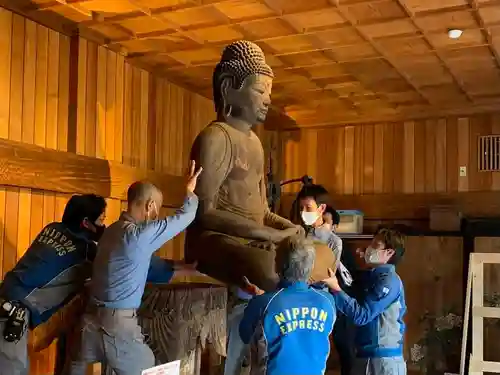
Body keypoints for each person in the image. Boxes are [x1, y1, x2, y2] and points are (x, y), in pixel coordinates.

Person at [63, 161, 202, 375]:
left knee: (74, 367)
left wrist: (187, 269)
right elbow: (185, 217)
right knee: (152, 370)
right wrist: (189, 192)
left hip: (88, 323)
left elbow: (149, 266)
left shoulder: (111, 233)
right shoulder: (139, 235)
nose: (155, 217)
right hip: (118, 327)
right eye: (156, 211)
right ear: (149, 206)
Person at [0, 194, 107, 375]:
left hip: (5, 298)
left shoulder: (51, 228)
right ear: (87, 223)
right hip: (14, 315)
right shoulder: (86, 250)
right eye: (101, 220)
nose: (104, 225)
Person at [238, 235, 336, 375]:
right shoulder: (327, 301)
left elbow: (245, 335)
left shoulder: (263, 303)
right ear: (311, 265)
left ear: (277, 265)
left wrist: (258, 301)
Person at [322, 227, 407, 375]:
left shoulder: (388, 281)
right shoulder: (372, 277)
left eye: (375, 245)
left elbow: (362, 315)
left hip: (383, 361)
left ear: (389, 252)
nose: (369, 249)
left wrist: (336, 289)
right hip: (365, 355)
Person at [296, 185, 355, 375]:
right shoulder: (297, 235)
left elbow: (329, 273)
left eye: (308, 208)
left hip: (319, 298)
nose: (303, 212)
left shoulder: (334, 242)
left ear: (321, 209)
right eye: (301, 208)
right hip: (296, 296)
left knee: (315, 351)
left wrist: (306, 279)